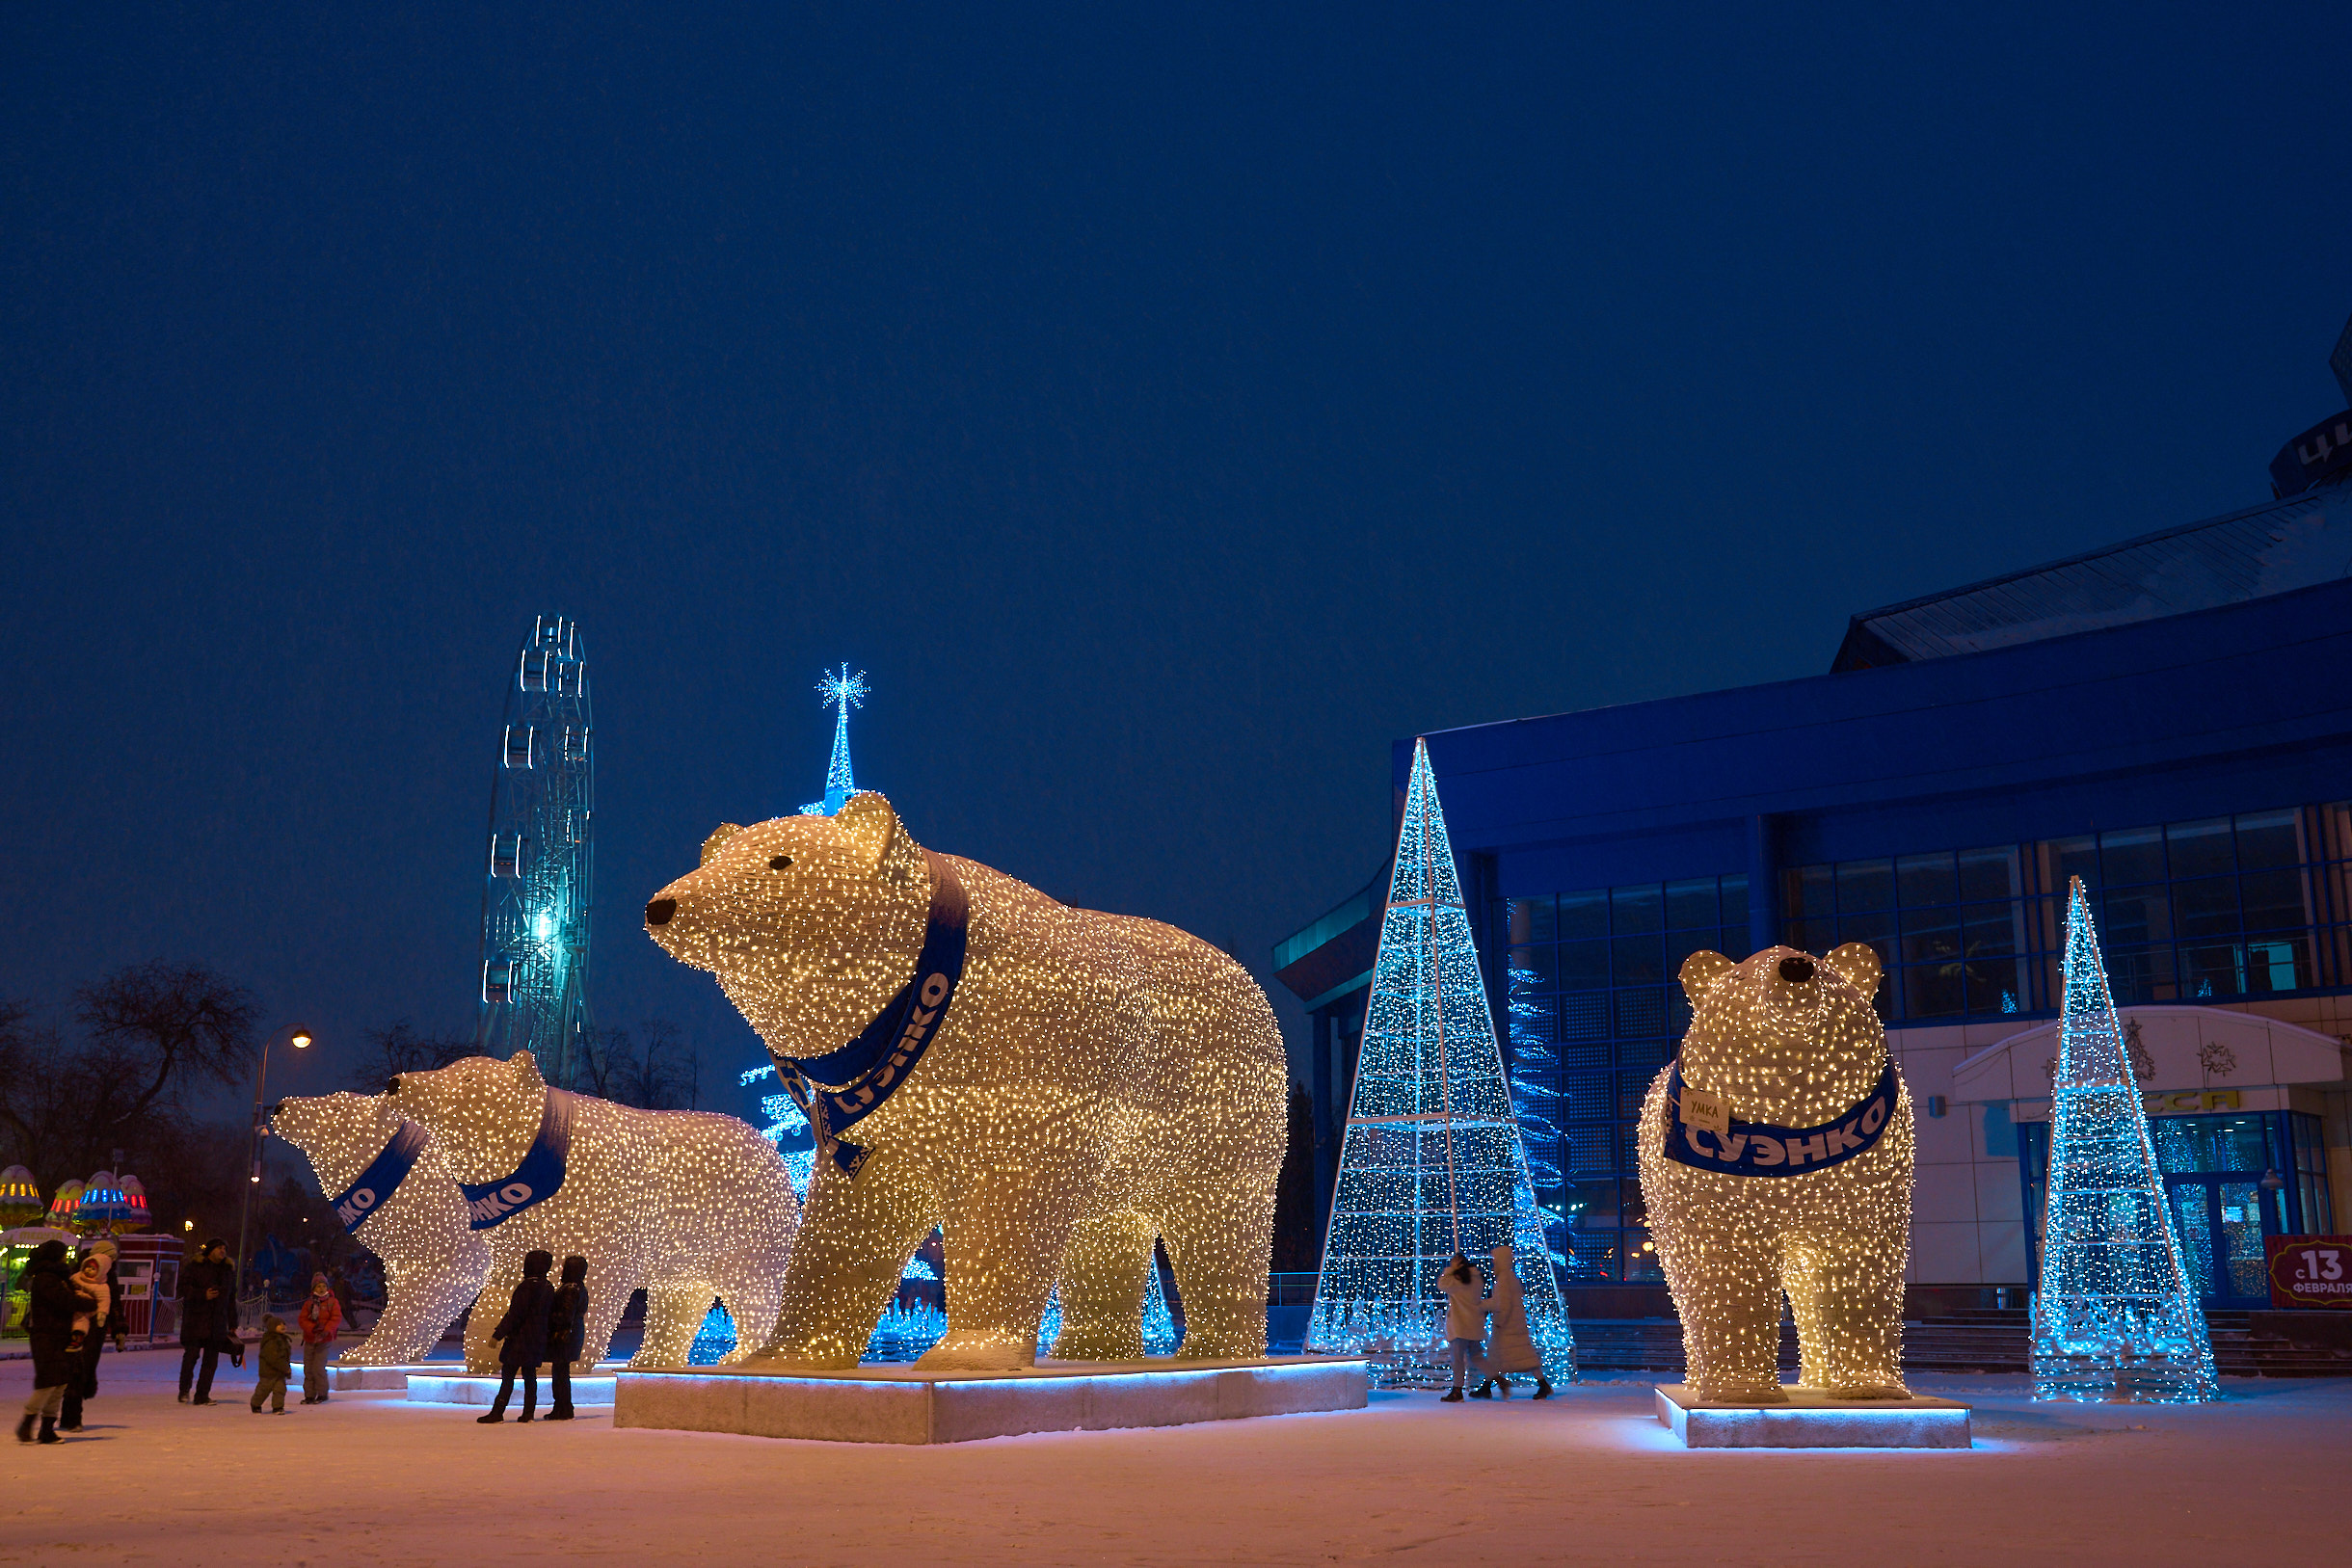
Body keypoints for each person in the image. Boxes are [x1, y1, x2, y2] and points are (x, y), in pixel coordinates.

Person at [1469, 1243, 1553, 1400]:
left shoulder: (1504, 1279)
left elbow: (1503, 1304)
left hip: (1507, 1327)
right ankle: (1487, 1387)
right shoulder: (1509, 1277)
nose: (1493, 1262)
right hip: (1513, 1325)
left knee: (1516, 1357)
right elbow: (1503, 1301)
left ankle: (1543, 1385)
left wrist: (1489, 1312)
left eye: (1495, 1260)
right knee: (1505, 1357)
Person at [478, 1250, 554, 1423]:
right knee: (529, 1376)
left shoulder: (526, 1286)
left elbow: (515, 1315)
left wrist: (498, 1335)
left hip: (519, 1340)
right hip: (536, 1339)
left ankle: (498, 1411)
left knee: (508, 1377)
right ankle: (528, 1413)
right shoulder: (548, 1287)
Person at [14, 1239, 78, 1444]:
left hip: (57, 1335)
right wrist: (88, 1301)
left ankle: (47, 1428)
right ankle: (27, 1423)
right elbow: (63, 1301)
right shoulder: (46, 1278)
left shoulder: (58, 1276)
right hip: (46, 1336)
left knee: (59, 1383)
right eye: (63, 1253)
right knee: (48, 1382)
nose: (66, 1257)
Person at [60, 1239, 123, 1433]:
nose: (112, 1261)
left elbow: (113, 1304)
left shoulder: (108, 1275)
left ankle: (68, 1416)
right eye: (110, 1257)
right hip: (78, 1327)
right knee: (77, 1371)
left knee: (83, 1370)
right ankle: (72, 1418)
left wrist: (119, 1328)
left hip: (97, 1329)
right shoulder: (79, 1273)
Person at [178, 1238, 236, 1404]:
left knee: (211, 1361)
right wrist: (202, 1295)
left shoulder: (227, 1271)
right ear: (210, 1250)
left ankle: (202, 1395)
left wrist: (232, 1323)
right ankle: (184, 1390)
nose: (223, 1251)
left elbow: (231, 1298)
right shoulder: (196, 1267)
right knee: (191, 1357)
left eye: (224, 1248)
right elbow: (182, 1288)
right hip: (196, 1320)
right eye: (219, 1248)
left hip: (217, 1321)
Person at [1435, 1251, 1488, 1403]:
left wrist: (1450, 1270)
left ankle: (1457, 1391)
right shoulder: (1477, 1279)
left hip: (1460, 1326)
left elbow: (1441, 1284)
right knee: (1477, 1357)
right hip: (1474, 1324)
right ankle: (1493, 1378)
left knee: (1458, 1360)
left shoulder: (1457, 1280)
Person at [545, 1255, 589, 1421]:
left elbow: (565, 1314)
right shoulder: (579, 1287)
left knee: (560, 1374)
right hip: (571, 1334)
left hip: (564, 1336)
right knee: (561, 1373)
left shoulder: (570, 1288)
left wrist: (551, 1320)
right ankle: (563, 1407)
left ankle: (562, 1408)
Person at [297, 1272, 342, 1404]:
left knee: (318, 1368)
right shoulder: (309, 1303)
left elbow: (336, 1318)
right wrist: (311, 1329)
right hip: (310, 1339)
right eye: (318, 1286)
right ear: (313, 1289)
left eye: (323, 1286)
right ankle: (309, 1395)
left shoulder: (332, 1302)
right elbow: (302, 1319)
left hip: (324, 1340)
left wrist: (326, 1330)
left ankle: (322, 1394)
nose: (321, 1289)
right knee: (308, 1369)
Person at [250, 1314, 292, 1414]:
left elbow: (284, 1356)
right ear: (272, 1327)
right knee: (263, 1390)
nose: (283, 1326)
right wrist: (285, 1367)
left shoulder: (282, 1339)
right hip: (268, 1372)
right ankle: (255, 1403)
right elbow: (273, 1358)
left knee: (280, 1390)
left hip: (280, 1372)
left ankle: (278, 1407)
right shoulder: (270, 1341)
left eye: (284, 1324)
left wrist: (285, 1367)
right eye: (279, 1325)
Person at [66, 1251, 107, 1352]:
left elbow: (104, 1299)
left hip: (88, 1308)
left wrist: (102, 1313)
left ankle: (78, 1335)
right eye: (88, 1267)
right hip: (77, 1302)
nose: (89, 1270)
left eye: (93, 1269)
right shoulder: (77, 1277)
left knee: (81, 1318)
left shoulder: (100, 1285)